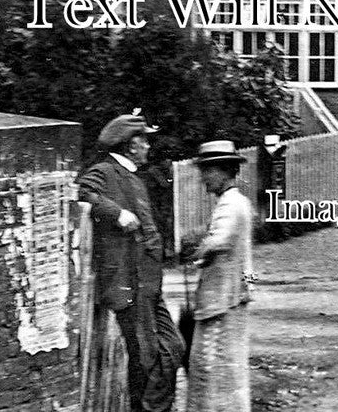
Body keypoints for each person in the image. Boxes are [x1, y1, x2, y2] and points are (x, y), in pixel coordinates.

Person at [77, 114, 183, 412]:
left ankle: (152, 407)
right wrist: (116, 213)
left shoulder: (134, 176)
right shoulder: (105, 171)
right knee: (145, 358)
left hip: (149, 285)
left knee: (173, 346)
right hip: (129, 284)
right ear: (130, 145)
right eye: (144, 140)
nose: (148, 146)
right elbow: (81, 191)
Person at [187, 140, 254, 412]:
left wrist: (197, 251)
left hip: (222, 299)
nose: (203, 178)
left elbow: (219, 241)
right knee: (225, 370)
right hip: (228, 296)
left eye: (208, 170)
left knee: (210, 367)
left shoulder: (231, 203)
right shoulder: (235, 202)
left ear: (224, 171)